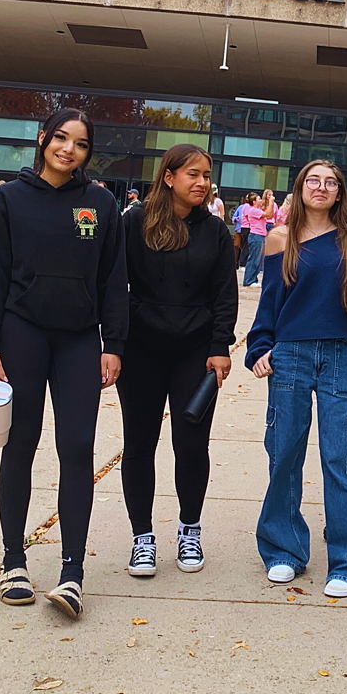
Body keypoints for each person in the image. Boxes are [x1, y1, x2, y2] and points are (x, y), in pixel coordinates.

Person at [0, 107, 127, 620]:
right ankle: (14, 563)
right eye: (61, 138)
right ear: (42, 139)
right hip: (22, 334)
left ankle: (72, 572)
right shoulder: (7, 199)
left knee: (77, 447)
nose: (68, 150)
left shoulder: (100, 204)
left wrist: (113, 343)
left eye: (80, 144)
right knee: (20, 443)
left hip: (80, 340)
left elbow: (113, 279)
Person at [246, 161, 347, 597]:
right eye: (313, 181)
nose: (321, 187)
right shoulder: (280, 239)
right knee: (284, 452)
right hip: (290, 356)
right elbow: (270, 301)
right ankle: (284, 551)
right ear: (301, 188)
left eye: (330, 182)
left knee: (343, 459)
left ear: (340, 192)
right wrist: (259, 348)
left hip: (341, 355)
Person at [119, 144, 239, 578]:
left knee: (191, 445)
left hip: (196, 354)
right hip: (140, 351)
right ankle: (142, 538)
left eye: (207, 175)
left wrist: (220, 347)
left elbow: (225, 295)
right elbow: (114, 283)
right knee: (139, 444)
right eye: (193, 174)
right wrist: (113, 343)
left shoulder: (216, 231)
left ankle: (190, 530)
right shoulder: (135, 222)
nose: (202, 182)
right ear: (169, 177)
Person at [243, 189, 275, 287]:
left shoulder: (258, 210)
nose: (261, 200)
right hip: (256, 236)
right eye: (259, 199)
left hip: (259, 236)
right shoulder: (253, 210)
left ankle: (253, 279)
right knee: (254, 259)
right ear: (254, 202)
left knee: (257, 259)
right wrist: (271, 202)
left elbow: (270, 215)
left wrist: (270, 204)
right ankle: (249, 280)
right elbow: (268, 214)